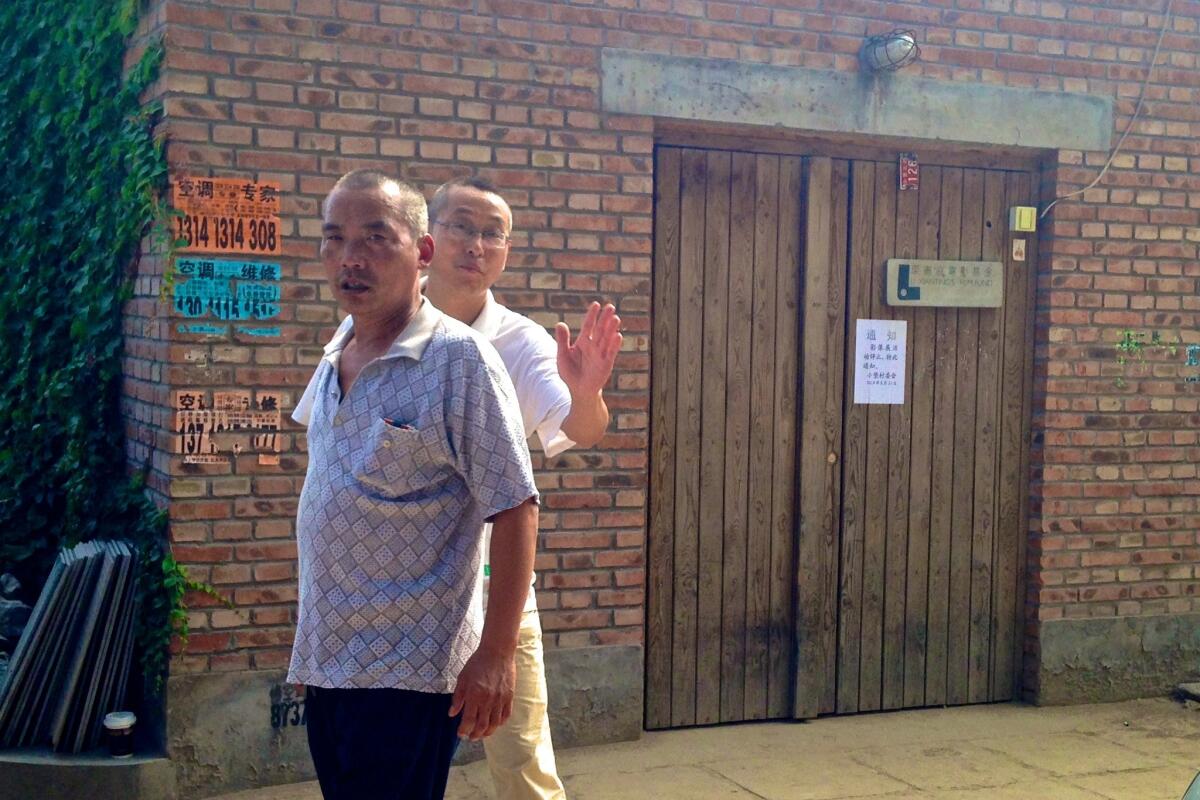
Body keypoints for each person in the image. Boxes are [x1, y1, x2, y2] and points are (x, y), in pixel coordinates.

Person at [287, 169, 540, 800]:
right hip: (332, 660)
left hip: (408, 666)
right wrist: (312, 644)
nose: (351, 258)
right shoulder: (337, 349)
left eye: (376, 238)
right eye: (335, 238)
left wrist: (497, 654)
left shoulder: (458, 359)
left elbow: (516, 506)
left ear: (421, 252)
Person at [426, 176, 621, 799]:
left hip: (496, 593)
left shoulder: (521, 340)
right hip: (401, 591)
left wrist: (587, 390)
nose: (476, 245)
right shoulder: (383, 327)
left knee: (525, 769)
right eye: (461, 226)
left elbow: (581, 427)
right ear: (428, 236)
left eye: (493, 234)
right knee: (393, 763)